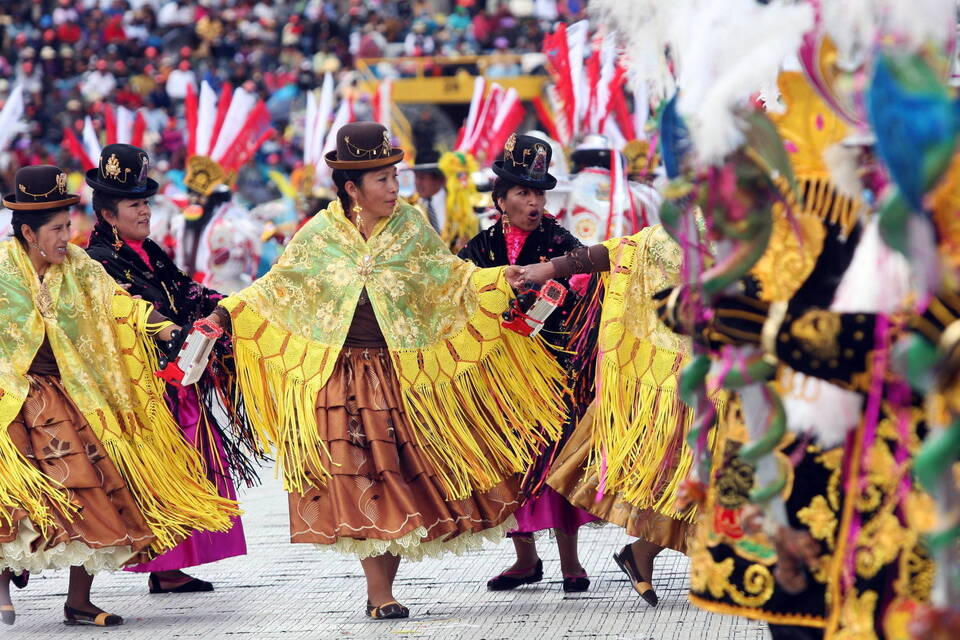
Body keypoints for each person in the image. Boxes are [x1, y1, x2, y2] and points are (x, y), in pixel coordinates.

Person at [201, 123, 570, 619]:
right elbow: (273, 288)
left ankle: (386, 586)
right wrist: (223, 314)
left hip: (399, 375)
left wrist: (496, 279)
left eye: (395, 177)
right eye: (382, 179)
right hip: (338, 376)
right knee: (358, 476)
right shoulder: (319, 234)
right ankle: (380, 595)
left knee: (396, 476)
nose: (395, 188)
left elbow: (451, 279)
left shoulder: (412, 226)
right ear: (352, 187)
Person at [0, 165, 237, 627]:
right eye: (57, 229)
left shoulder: (81, 268)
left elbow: (123, 305)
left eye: (69, 225)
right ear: (28, 232)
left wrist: (167, 330)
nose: (68, 236)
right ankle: (1, 584)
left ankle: (79, 601)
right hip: (10, 395)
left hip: (72, 393)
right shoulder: (1, 274)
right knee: (12, 494)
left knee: (93, 488)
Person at [84, 144, 256, 595]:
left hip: (178, 374)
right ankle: (160, 562)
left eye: (146, 202)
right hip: (144, 385)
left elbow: (184, 290)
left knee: (188, 465)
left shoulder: (148, 250)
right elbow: (128, 315)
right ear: (108, 212)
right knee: (160, 471)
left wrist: (226, 306)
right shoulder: (99, 260)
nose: (144, 211)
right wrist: (180, 330)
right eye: (134, 204)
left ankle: (171, 565)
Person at [459, 133, 598, 592]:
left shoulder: (559, 240)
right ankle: (525, 559)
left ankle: (571, 562)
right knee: (511, 463)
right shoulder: (479, 249)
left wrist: (564, 285)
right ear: (501, 200)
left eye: (539, 192)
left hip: (553, 371)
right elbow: (456, 292)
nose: (534, 202)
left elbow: (589, 270)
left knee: (555, 461)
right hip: (499, 373)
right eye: (523, 192)